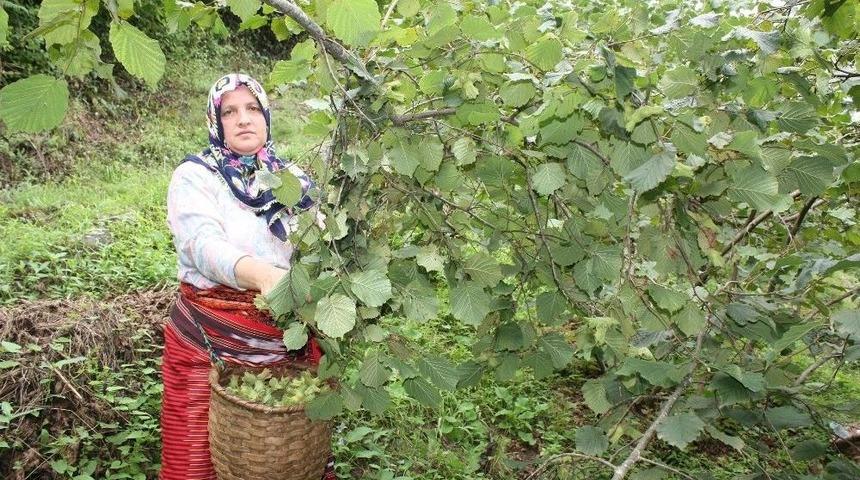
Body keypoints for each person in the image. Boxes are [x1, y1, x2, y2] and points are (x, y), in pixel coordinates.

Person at [161, 73, 333, 479]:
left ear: (267, 116)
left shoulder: (291, 179)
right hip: (211, 339)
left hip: (283, 338)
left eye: (252, 108)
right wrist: (261, 274)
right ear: (215, 121)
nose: (243, 119)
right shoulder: (196, 177)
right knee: (197, 456)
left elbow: (319, 239)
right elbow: (201, 245)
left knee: (284, 456)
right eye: (230, 111)